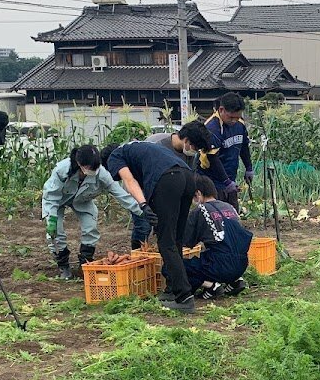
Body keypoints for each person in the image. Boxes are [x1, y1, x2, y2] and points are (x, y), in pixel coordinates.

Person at [106, 139, 197, 312]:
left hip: (168, 179)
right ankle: (172, 289)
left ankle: (184, 297)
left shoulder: (115, 156)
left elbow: (129, 181)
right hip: (187, 176)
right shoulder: (139, 149)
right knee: (176, 238)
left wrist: (142, 205)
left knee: (166, 242)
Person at [42, 144, 148, 280]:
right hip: (57, 200)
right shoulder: (63, 170)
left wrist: (141, 211)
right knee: (56, 231)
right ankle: (63, 266)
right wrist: (51, 219)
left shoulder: (102, 173)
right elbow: (51, 196)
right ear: (80, 164)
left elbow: (121, 194)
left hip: (82, 200)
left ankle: (85, 263)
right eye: (89, 168)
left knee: (90, 228)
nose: (93, 170)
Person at [112, 121, 212, 249]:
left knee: (170, 226)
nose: (195, 151)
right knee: (144, 224)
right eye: (195, 147)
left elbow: (188, 174)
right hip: (140, 187)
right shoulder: (157, 144)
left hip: (166, 190)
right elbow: (141, 177)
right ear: (187, 140)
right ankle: (138, 255)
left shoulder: (189, 152)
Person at [182, 175, 253, 299]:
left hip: (220, 265)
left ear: (198, 194)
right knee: (214, 253)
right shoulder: (229, 207)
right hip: (242, 264)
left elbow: (188, 242)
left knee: (175, 266)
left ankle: (211, 286)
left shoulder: (200, 210)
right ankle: (235, 280)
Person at [203, 92, 255, 210]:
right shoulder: (212, 128)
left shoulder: (239, 124)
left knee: (232, 213)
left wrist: (249, 168)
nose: (234, 121)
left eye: (237, 117)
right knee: (217, 215)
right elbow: (213, 158)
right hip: (213, 180)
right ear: (221, 110)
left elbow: (244, 147)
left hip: (230, 178)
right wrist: (226, 181)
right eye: (231, 117)